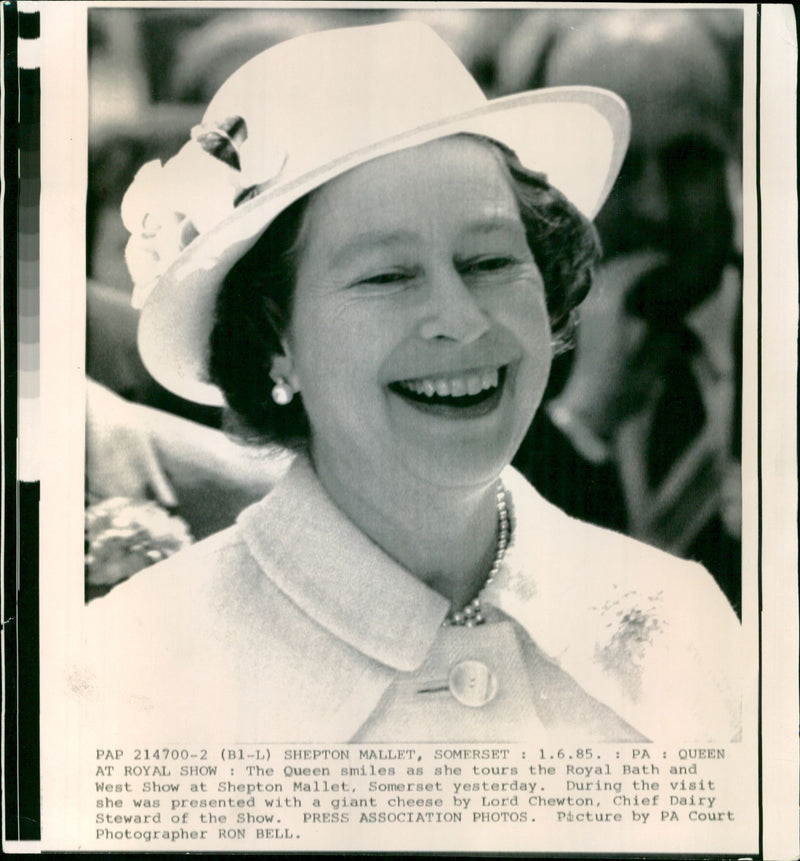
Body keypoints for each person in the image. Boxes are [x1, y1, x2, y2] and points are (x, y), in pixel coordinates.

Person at [68, 22, 741, 743]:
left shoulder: (684, 616)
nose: (461, 320)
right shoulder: (134, 671)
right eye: (388, 276)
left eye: (488, 261)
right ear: (272, 339)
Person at [503, 10, 744, 614]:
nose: (656, 208)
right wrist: (581, 423)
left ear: (739, 157)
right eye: (621, 166)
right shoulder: (503, 355)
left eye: (689, 161)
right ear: (550, 183)